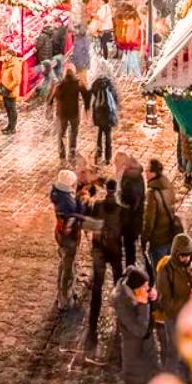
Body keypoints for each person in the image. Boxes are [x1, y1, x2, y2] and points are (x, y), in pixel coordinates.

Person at [153, 233, 192, 372]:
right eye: (182, 255)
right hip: (175, 318)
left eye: (188, 255)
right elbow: (165, 301)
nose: (185, 258)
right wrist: (186, 302)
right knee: (175, 352)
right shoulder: (166, 270)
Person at [114, 267, 160, 384]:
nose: (148, 289)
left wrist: (153, 298)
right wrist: (144, 304)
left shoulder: (138, 295)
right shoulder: (123, 305)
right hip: (135, 357)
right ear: (135, 290)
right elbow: (140, 330)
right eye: (145, 287)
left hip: (147, 352)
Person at [86, 178, 125, 353]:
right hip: (115, 251)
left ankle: (92, 326)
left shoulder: (98, 206)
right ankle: (121, 320)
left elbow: (90, 228)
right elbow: (125, 233)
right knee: (118, 284)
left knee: (97, 288)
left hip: (99, 251)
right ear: (116, 190)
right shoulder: (121, 210)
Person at [50, 168, 88, 310]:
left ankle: (62, 292)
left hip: (60, 235)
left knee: (64, 262)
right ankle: (65, 298)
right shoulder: (67, 202)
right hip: (69, 238)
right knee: (68, 267)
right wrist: (82, 204)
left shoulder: (57, 193)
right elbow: (76, 216)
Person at [142, 158, 177, 269]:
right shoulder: (168, 185)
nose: (145, 173)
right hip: (170, 235)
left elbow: (149, 221)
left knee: (159, 272)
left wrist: (144, 240)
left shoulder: (152, 193)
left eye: (147, 171)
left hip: (158, 239)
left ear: (153, 173)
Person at [53, 66, 88, 162]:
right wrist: (87, 108)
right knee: (74, 132)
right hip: (74, 112)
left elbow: (56, 96)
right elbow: (86, 94)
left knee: (61, 133)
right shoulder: (77, 84)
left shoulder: (60, 85)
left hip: (62, 113)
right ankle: (72, 151)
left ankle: (62, 153)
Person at [118, 153, 146, 268]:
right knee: (130, 246)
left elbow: (133, 200)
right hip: (133, 219)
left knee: (130, 247)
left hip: (131, 220)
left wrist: (121, 200)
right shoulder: (134, 175)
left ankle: (131, 270)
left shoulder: (131, 177)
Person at [88, 70, 120, 165]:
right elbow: (115, 99)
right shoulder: (110, 87)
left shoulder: (96, 86)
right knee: (108, 136)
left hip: (98, 115)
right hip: (108, 115)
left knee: (99, 135)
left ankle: (98, 155)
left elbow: (91, 92)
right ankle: (108, 158)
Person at [0, 48, 21, 134]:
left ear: (13, 56)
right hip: (5, 90)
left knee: (12, 109)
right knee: (7, 108)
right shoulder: (6, 64)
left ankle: (13, 127)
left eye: (8, 55)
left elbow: (17, 80)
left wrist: (8, 89)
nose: (6, 57)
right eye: (6, 55)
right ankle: (9, 125)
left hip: (10, 91)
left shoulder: (15, 65)